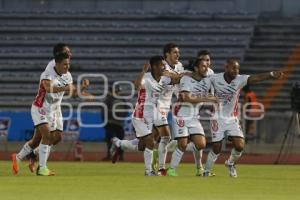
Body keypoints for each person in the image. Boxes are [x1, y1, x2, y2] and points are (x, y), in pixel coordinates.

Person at [11, 52, 91, 176]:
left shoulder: (67, 76)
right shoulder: (47, 74)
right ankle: (42, 168)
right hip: (40, 108)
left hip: (54, 110)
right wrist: (65, 88)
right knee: (47, 137)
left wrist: (82, 88)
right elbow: (48, 88)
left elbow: (73, 94)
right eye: (65, 64)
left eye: (68, 64)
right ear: (57, 64)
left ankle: (23, 156)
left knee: (52, 138)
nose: (67, 67)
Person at [203, 58, 285, 177]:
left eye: (238, 68)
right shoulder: (215, 78)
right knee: (217, 147)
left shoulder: (240, 79)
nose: (236, 70)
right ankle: (207, 171)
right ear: (226, 68)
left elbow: (256, 78)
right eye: (233, 68)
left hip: (232, 118)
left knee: (240, 145)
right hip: (217, 117)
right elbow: (201, 83)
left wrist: (271, 74)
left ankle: (230, 163)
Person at [112, 55, 172, 176]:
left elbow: (175, 79)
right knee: (150, 142)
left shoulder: (164, 78)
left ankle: (119, 143)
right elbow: (136, 86)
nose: (164, 67)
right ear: (154, 67)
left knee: (142, 146)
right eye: (161, 65)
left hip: (154, 115)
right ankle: (149, 171)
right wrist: (143, 71)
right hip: (140, 115)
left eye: (164, 64)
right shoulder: (147, 78)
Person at [166, 58, 218, 176]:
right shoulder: (186, 79)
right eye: (203, 66)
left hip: (194, 117)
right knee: (183, 144)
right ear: (196, 68)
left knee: (201, 144)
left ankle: (173, 146)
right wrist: (207, 99)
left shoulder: (207, 81)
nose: (206, 69)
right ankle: (171, 170)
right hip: (181, 115)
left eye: (207, 66)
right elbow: (186, 98)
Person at [102, 85, 129, 161]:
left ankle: (118, 156)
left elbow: (103, 111)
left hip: (115, 122)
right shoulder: (113, 99)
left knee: (116, 140)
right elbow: (104, 111)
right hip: (113, 123)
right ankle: (113, 155)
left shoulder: (110, 99)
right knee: (113, 140)